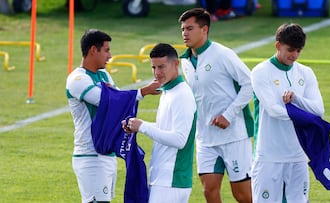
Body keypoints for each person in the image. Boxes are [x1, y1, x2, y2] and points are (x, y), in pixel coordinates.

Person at [65, 29, 160, 203]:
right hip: (90, 156)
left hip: (107, 154)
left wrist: (114, 94)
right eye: (107, 50)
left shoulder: (104, 74)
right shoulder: (77, 79)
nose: (110, 55)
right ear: (93, 50)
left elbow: (118, 103)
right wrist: (143, 91)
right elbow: (108, 102)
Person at [178, 8, 253, 203]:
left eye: (190, 28)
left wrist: (228, 115)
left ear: (204, 30)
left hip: (234, 137)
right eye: (183, 29)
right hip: (205, 139)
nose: (185, 33)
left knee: (243, 196)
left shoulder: (222, 54)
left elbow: (249, 84)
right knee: (209, 192)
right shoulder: (185, 61)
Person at [251, 23, 325, 203]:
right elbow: (273, 110)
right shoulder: (260, 72)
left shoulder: (305, 73)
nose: (294, 55)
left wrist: (297, 99)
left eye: (298, 51)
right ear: (278, 45)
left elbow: (319, 110)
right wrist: (306, 116)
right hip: (269, 156)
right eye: (290, 49)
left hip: (298, 155)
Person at [122, 43, 197, 203]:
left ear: (176, 64)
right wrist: (136, 126)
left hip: (171, 181)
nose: (157, 73)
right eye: (153, 67)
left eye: (161, 67)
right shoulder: (168, 91)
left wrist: (143, 126)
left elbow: (179, 139)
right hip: (164, 179)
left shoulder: (181, 95)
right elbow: (166, 129)